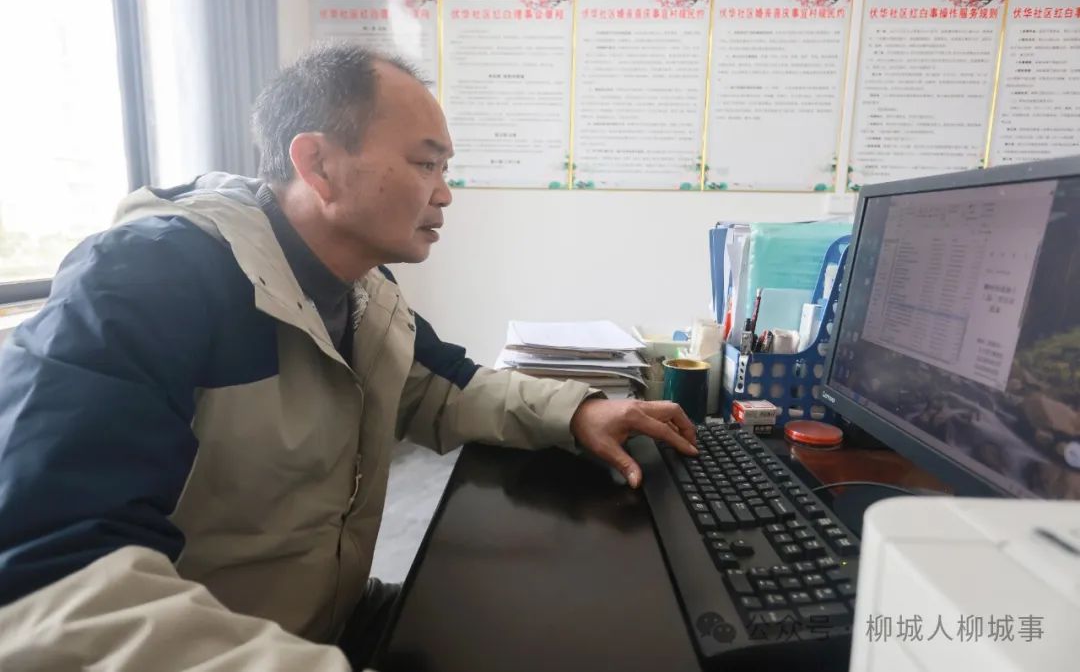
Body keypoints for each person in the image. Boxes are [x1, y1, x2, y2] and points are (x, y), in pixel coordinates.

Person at [0, 43, 698, 671]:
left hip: (329, 617)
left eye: (445, 168)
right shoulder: (146, 278)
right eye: (425, 163)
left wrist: (579, 412)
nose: (445, 192)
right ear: (319, 165)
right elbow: (47, 581)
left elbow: (444, 387)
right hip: (240, 641)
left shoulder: (365, 290)